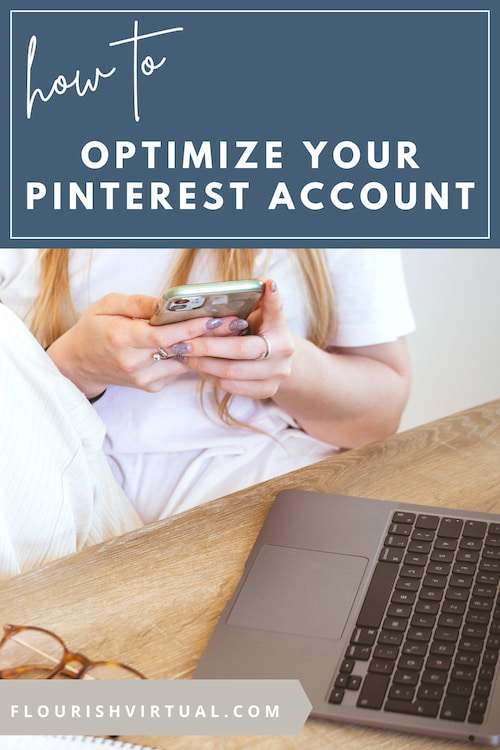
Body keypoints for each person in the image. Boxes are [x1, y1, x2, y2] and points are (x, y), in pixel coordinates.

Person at [0, 248, 414, 578]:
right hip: (59, 512)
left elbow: (378, 417)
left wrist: (286, 364)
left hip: (260, 495)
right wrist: (71, 369)